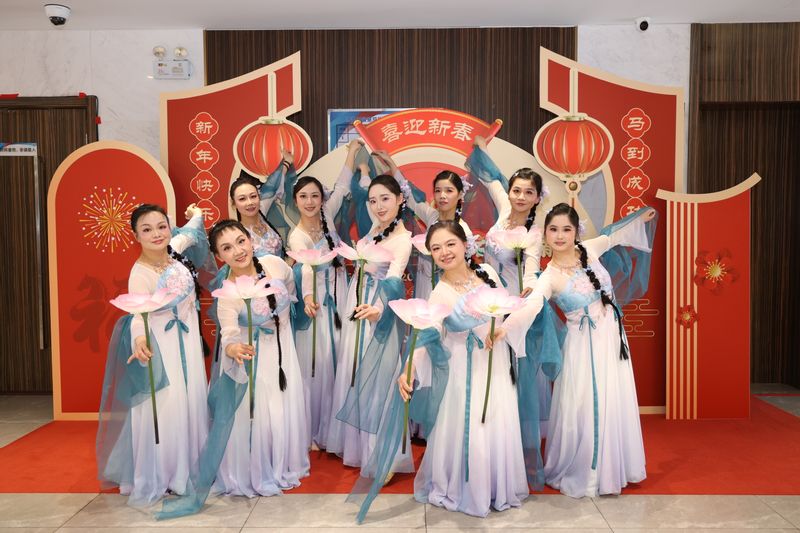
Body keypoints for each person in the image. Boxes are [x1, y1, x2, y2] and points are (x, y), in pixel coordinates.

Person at [497, 202, 656, 498]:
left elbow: (614, 235)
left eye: (566, 229)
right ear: (545, 234)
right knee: (585, 404)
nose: (560, 236)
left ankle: (615, 468)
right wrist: (505, 328)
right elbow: (531, 306)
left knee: (613, 398)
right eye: (553, 229)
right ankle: (589, 473)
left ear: (576, 232)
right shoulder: (548, 277)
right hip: (583, 349)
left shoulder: (590, 250)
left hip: (612, 338)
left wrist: (639, 219)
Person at [97, 203, 210, 507]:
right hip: (162, 346)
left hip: (187, 341)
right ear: (136, 236)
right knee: (168, 404)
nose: (157, 234)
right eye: (147, 230)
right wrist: (139, 340)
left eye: (161, 226)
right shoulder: (140, 273)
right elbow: (137, 315)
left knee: (191, 399)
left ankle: (193, 466)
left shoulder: (175, 250)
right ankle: (166, 473)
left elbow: (191, 232)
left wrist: (196, 215)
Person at [210, 220, 310, 497]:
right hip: (254, 356)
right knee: (262, 414)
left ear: (250, 240)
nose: (238, 251)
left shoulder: (273, 264)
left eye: (241, 241)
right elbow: (229, 334)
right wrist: (233, 348)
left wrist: (286, 315)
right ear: (219, 256)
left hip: (283, 349)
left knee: (282, 409)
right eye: (227, 248)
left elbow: (289, 282)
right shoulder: (228, 292)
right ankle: (259, 467)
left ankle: (281, 462)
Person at [327, 173, 414, 476]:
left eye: (385, 199)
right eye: (373, 200)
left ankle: (382, 456)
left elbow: (394, 280)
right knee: (355, 371)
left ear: (400, 199)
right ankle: (356, 446)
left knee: (378, 377)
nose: (379, 206)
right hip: (357, 306)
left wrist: (378, 309)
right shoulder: (375, 230)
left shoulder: (402, 239)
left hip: (378, 311)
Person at [286, 172, 350, 450]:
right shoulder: (297, 236)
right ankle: (315, 429)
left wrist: (352, 153)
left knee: (340, 357)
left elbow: (342, 186)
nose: (310, 202)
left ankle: (337, 428)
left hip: (340, 295)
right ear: (295, 201)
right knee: (319, 363)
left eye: (315, 195)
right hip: (318, 303)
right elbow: (307, 268)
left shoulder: (328, 218)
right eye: (303, 197)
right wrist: (309, 297)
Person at [373, 150, 475, 300]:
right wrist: (391, 164)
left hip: (446, 291)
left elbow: (466, 270)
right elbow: (411, 198)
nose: (442, 196)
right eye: (438, 191)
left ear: (460, 194)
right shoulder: (431, 216)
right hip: (424, 286)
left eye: (449, 191)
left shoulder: (464, 230)